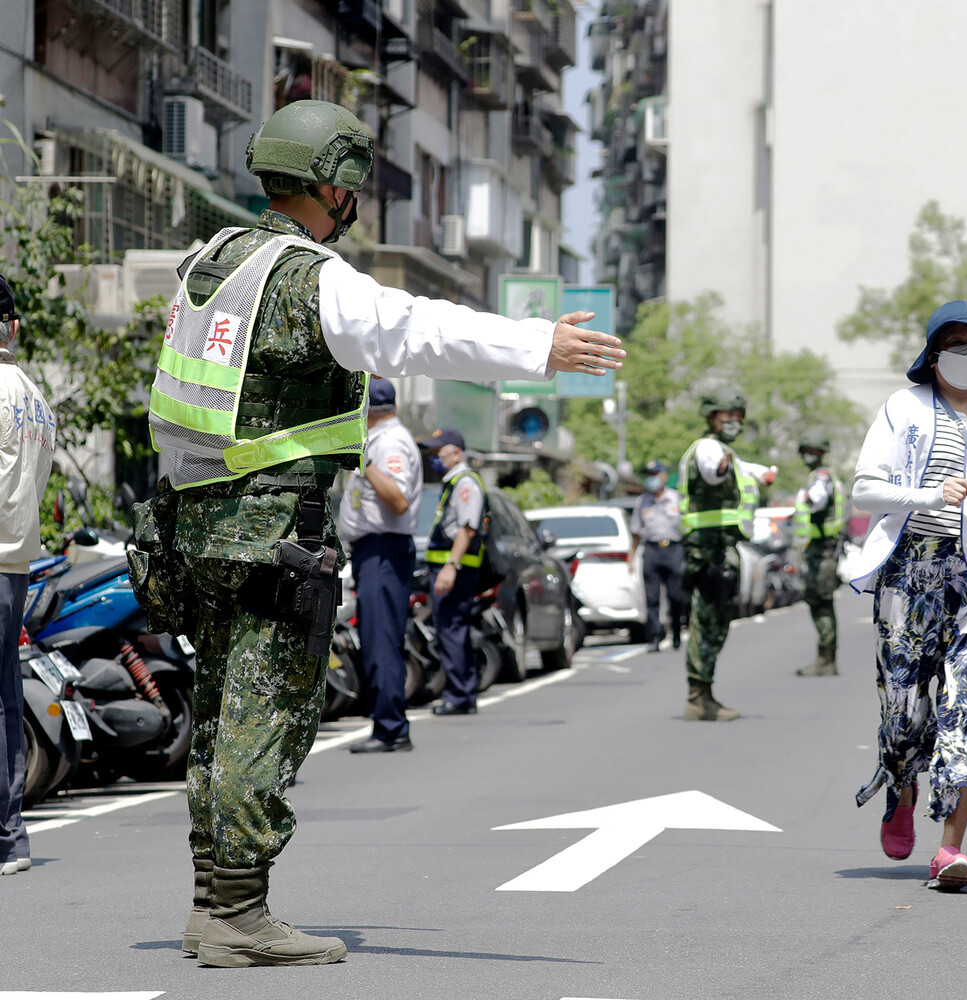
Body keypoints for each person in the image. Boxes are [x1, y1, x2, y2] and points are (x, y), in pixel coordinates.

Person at [128, 100, 624, 968]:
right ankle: (239, 917)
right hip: (273, 536)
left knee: (217, 716)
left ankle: (214, 902)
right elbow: (413, 327)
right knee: (262, 718)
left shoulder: (210, 264)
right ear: (334, 186)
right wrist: (537, 345)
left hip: (193, 529)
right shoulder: (310, 276)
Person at [846, 300, 967, 890]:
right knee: (903, 711)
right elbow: (864, 490)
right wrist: (927, 495)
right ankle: (901, 786)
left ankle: (951, 847)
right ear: (934, 354)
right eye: (958, 342)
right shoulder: (902, 409)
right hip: (911, 573)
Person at [0, 274, 55, 878]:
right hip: (16, 562)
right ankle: (10, 835)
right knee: (5, 699)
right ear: (14, 329)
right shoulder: (36, 398)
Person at [677, 388, 775, 721]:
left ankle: (703, 694)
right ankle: (698, 698)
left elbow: (745, 468)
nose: (733, 423)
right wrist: (720, 469)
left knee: (716, 621)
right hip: (707, 551)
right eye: (727, 417)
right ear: (711, 418)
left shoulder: (725, 451)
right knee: (707, 622)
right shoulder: (708, 449)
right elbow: (711, 470)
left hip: (719, 549)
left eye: (738, 418)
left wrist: (762, 473)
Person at [337, 377, 422, 753]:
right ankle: (388, 724)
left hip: (385, 551)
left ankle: (391, 727)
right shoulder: (383, 439)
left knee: (382, 641)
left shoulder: (390, 442)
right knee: (375, 639)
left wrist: (366, 463)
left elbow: (398, 500)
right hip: (375, 552)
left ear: (365, 411)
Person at [424, 428, 487, 716]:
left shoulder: (466, 483)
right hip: (447, 567)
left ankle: (460, 694)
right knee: (449, 629)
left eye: (440, 452)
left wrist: (451, 565)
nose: (435, 457)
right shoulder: (453, 482)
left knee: (452, 630)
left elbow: (468, 527)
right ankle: (460, 693)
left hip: (455, 570)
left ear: (457, 453)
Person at [791, 430, 846, 677]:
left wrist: (806, 497)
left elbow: (818, 500)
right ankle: (825, 658)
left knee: (820, 601)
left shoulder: (821, 477)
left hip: (822, 551)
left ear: (821, 453)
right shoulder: (823, 475)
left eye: (813, 452)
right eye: (806, 452)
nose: (808, 456)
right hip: (821, 549)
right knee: (819, 601)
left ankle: (826, 659)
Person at [629, 459, 686, 652]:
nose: (651, 480)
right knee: (652, 598)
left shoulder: (677, 499)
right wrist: (631, 558)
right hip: (651, 551)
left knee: (676, 596)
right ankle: (654, 636)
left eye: (654, 475)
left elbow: (687, 528)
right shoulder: (642, 502)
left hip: (674, 550)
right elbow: (636, 533)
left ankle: (676, 632)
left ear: (663, 476)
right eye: (648, 476)